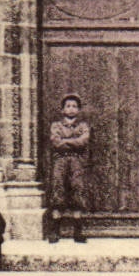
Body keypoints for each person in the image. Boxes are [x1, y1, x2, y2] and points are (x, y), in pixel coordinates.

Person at [47, 94, 90, 243]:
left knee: (77, 190)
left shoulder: (83, 126)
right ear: (62, 109)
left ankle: (78, 232)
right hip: (60, 161)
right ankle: (55, 231)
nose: (71, 109)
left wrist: (66, 142)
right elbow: (56, 142)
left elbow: (83, 141)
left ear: (78, 110)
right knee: (58, 189)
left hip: (77, 161)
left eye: (74, 106)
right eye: (68, 106)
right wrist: (73, 141)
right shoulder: (56, 126)